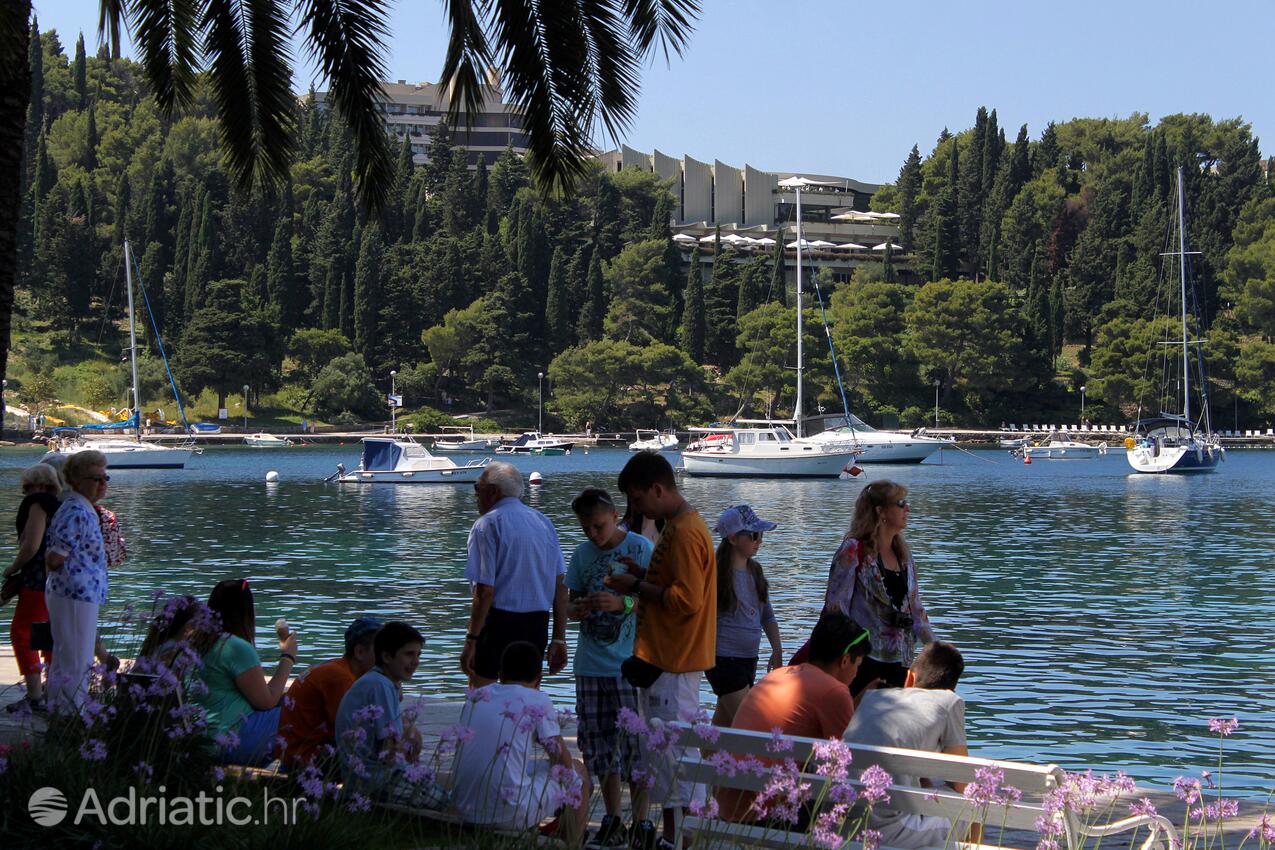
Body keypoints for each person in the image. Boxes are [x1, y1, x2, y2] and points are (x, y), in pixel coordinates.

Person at [606, 451, 715, 850]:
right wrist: (642, 574)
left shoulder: (685, 532)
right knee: (665, 759)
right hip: (667, 659)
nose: (634, 510)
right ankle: (674, 837)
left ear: (657, 489)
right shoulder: (678, 525)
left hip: (675, 661)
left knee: (673, 762)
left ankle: (678, 841)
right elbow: (674, 583)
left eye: (637, 500)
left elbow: (686, 600)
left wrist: (634, 588)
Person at [717, 613, 870, 823]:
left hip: (728, 808)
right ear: (845, 660)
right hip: (769, 815)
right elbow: (848, 762)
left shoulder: (775, 676)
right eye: (857, 665)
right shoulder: (835, 691)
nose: (855, 674)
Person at [565, 487, 653, 847]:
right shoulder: (582, 555)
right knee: (599, 748)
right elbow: (569, 606)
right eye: (587, 528)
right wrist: (580, 609)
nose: (594, 535)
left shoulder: (640, 549)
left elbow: (656, 602)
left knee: (636, 747)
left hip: (628, 665)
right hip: (589, 664)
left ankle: (643, 823)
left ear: (615, 516)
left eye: (599, 526)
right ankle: (613, 817)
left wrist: (623, 604)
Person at [453, 641, 590, 845]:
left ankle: (552, 829)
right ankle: (572, 844)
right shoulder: (537, 699)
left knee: (521, 770)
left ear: (500, 674)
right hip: (507, 813)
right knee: (578, 773)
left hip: (463, 807)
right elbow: (562, 760)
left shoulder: (477, 696)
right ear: (539, 679)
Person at [844, 642, 969, 850]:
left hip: (837, 823)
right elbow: (962, 784)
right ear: (952, 687)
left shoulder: (875, 697)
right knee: (967, 806)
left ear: (910, 677)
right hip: (884, 833)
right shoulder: (949, 701)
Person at [818, 480, 934, 693]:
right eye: (900, 503)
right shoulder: (853, 551)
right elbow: (836, 608)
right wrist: (845, 654)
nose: (907, 509)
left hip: (901, 658)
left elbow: (915, 607)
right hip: (861, 660)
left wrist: (934, 647)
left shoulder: (904, 556)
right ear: (880, 511)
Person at [461, 462, 569, 688]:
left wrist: (471, 640)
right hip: (536, 624)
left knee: (482, 701)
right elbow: (560, 584)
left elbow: (485, 590)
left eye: (477, 488)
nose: (476, 495)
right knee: (526, 705)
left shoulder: (486, 525)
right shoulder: (544, 523)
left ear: (493, 491)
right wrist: (559, 637)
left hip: (498, 622)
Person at [334, 621, 448, 810]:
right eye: (409, 654)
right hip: (373, 783)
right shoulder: (380, 686)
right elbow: (391, 748)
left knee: (446, 783)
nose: (416, 661)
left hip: (367, 777)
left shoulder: (378, 681)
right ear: (386, 656)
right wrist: (409, 748)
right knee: (448, 803)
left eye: (418, 654)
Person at [190, 578, 298, 765]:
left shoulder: (197, 643)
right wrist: (288, 656)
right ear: (246, 612)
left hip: (199, 740)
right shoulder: (235, 647)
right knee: (300, 713)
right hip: (230, 740)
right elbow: (267, 701)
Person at [44, 450, 111, 713]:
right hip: (74, 593)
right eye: (95, 478)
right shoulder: (75, 511)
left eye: (105, 477)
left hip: (78, 594)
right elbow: (54, 557)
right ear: (77, 480)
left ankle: (60, 712)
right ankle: (74, 716)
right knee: (76, 659)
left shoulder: (81, 507)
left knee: (66, 656)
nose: (102, 484)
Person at [707, 505, 783, 728]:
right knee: (751, 726)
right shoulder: (715, 574)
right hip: (722, 660)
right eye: (753, 535)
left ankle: (706, 760)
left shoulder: (756, 572)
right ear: (732, 538)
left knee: (723, 727)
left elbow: (767, 615)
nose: (759, 540)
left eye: (760, 535)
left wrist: (777, 649)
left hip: (749, 659)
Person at [277, 617, 382, 769]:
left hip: (294, 754)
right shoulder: (341, 679)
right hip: (304, 762)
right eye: (381, 651)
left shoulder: (337, 668)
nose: (387, 657)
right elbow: (353, 731)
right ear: (359, 652)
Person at [3, 464, 63, 713]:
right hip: (57, 580)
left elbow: (31, 546)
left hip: (37, 580)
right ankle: (52, 690)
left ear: (40, 485)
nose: (25, 493)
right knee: (48, 635)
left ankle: (34, 695)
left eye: (27, 487)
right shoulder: (61, 506)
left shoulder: (38, 504)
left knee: (22, 634)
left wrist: (11, 568)